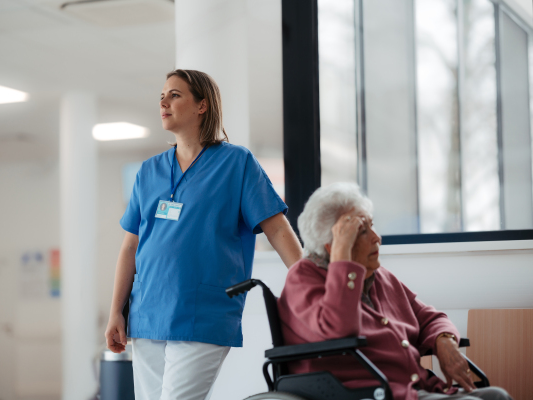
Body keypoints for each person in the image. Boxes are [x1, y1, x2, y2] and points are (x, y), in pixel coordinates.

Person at [105, 69, 303, 400]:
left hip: (204, 312)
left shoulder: (236, 163)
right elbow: (129, 249)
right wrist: (116, 310)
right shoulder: (149, 171)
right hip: (148, 314)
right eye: (162, 96)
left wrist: (311, 283)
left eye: (175, 95)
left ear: (202, 106)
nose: (163, 102)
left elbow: (278, 229)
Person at [277, 182, 512, 400]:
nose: (377, 238)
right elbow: (339, 328)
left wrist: (445, 342)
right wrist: (344, 262)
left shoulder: (380, 277)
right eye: (361, 231)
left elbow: (430, 318)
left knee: (496, 396)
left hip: (415, 389)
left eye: (372, 225)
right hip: (369, 393)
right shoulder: (303, 278)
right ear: (333, 246)